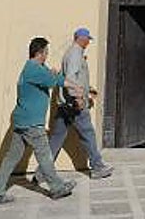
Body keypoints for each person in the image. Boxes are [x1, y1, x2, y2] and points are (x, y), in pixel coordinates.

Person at [0, 37, 75, 206]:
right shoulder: (34, 69)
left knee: (11, 157)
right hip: (32, 122)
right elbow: (57, 81)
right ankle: (57, 188)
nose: (47, 55)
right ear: (40, 53)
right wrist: (78, 88)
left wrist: (53, 74)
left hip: (22, 120)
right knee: (45, 155)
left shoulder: (31, 68)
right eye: (46, 52)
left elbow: (49, 76)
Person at [46, 27, 114, 179]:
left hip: (65, 104)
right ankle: (97, 167)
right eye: (87, 40)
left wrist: (87, 88)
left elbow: (74, 77)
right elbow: (70, 78)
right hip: (74, 105)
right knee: (88, 134)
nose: (88, 43)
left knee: (56, 139)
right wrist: (78, 98)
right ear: (81, 38)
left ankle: (43, 171)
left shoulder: (71, 53)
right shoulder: (76, 54)